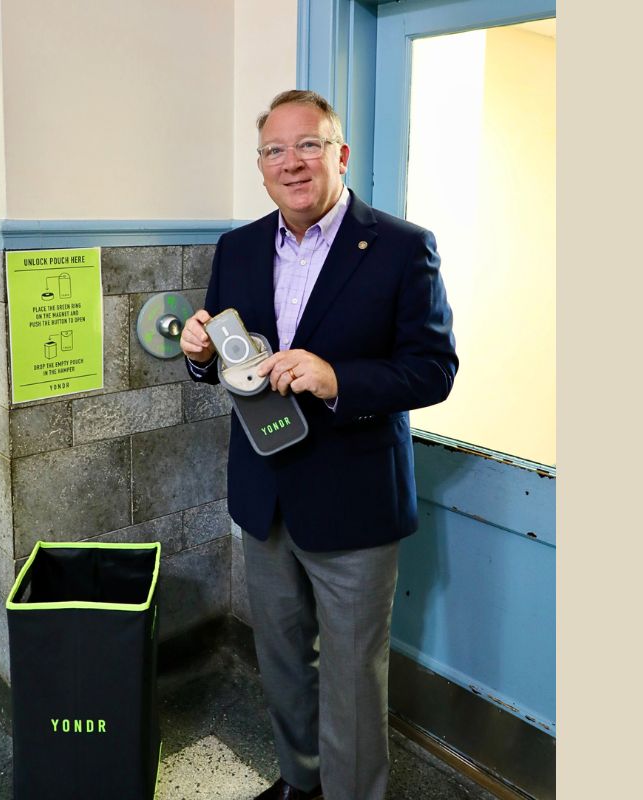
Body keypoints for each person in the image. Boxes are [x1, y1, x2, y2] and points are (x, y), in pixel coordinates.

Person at [179, 89, 457, 800]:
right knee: (281, 662)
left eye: (309, 144)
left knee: (354, 679)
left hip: (355, 501)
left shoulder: (402, 247)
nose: (292, 162)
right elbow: (229, 358)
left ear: (341, 153)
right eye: (275, 150)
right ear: (261, 166)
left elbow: (434, 370)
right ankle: (302, 784)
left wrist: (338, 380)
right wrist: (200, 354)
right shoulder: (238, 246)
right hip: (266, 496)